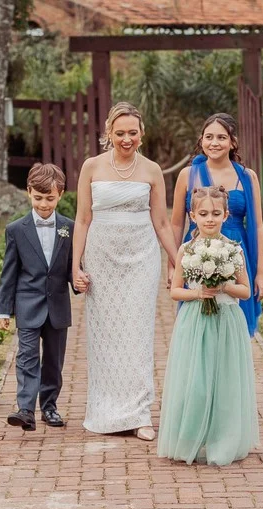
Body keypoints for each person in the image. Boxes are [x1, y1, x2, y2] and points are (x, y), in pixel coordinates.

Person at [72, 102, 179, 441]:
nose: (126, 139)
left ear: (142, 133)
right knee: (104, 335)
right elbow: (82, 219)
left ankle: (139, 414)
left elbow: (162, 222)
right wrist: (75, 265)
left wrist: (178, 261)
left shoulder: (152, 170)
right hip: (101, 257)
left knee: (137, 335)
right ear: (109, 132)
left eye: (133, 132)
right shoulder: (91, 166)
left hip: (141, 258)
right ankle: (106, 411)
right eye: (120, 133)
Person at [158, 185, 260, 465]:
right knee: (196, 383)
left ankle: (223, 441)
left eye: (216, 213)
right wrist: (198, 293)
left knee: (224, 381)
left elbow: (245, 291)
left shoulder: (233, 250)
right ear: (193, 216)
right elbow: (175, 291)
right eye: (203, 214)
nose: (210, 219)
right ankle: (190, 438)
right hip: (195, 321)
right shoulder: (186, 250)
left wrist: (223, 284)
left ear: (226, 215)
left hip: (226, 321)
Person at [170, 113, 263, 337]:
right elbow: (176, 224)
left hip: (236, 253)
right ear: (201, 140)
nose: (214, 143)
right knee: (198, 324)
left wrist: (261, 272)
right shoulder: (187, 175)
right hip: (197, 253)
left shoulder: (247, 177)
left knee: (233, 324)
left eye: (221, 137)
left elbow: (258, 226)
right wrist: (172, 265)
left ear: (233, 142)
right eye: (209, 137)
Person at [0, 163, 74, 431]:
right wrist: (3, 310)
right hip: (28, 305)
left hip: (58, 306)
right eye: (38, 197)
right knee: (27, 357)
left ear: (60, 194)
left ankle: (49, 407)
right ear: (28, 191)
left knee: (53, 361)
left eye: (50, 198)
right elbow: (9, 272)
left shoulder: (69, 228)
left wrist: (80, 282)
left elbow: (72, 266)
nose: (43, 204)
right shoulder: (16, 229)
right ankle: (26, 409)